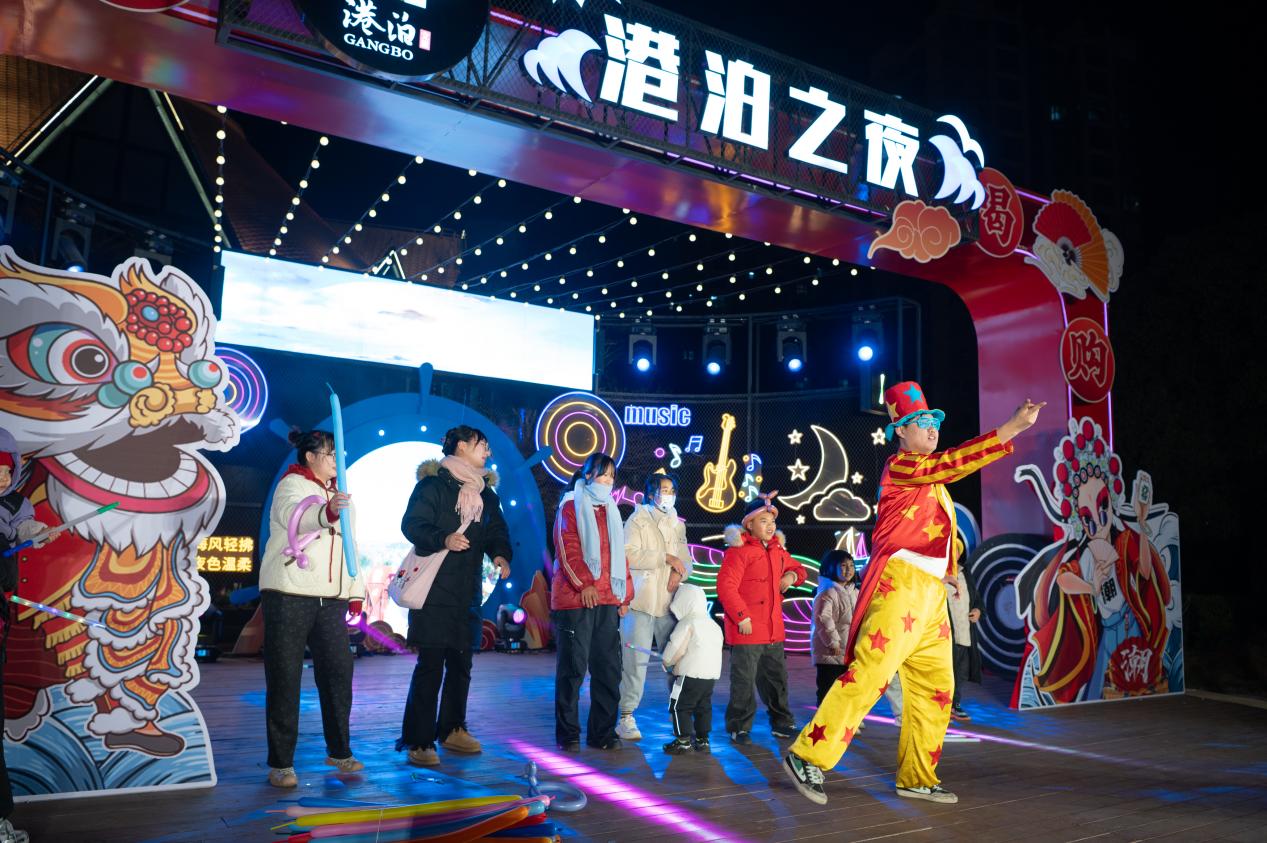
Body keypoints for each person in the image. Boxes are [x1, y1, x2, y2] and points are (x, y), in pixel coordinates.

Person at [783, 382, 1044, 806]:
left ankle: (917, 776)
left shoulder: (931, 481)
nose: (931, 428)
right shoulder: (903, 466)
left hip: (929, 592)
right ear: (900, 431)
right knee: (871, 675)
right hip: (899, 584)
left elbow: (938, 530)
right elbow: (953, 463)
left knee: (935, 686)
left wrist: (949, 570)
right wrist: (1011, 428)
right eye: (921, 422)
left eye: (934, 421)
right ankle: (807, 755)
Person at [397, 426, 511, 767]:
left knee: (462, 664)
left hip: (467, 592)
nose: (487, 452)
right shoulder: (433, 485)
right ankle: (419, 740)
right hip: (434, 591)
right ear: (461, 446)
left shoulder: (487, 493)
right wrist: (443, 538)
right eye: (482, 445)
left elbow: (496, 530)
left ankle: (453, 729)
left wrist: (500, 554)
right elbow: (412, 525)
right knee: (430, 666)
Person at [259, 429, 366, 788]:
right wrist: (327, 512)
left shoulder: (339, 493)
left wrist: (355, 589)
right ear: (310, 456)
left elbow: (351, 544)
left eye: (338, 454)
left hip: (331, 597)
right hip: (290, 591)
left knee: (338, 672)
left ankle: (340, 750)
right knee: (285, 677)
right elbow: (296, 517)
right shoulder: (291, 485)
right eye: (331, 454)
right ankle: (281, 764)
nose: (337, 460)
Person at [550, 453, 634, 751]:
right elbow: (567, 548)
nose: (608, 481)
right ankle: (568, 733)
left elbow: (619, 556)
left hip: (608, 599)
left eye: (611, 476)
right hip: (576, 599)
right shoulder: (570, 505)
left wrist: (625, 594)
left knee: (608, 669)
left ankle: (602, 733)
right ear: (587, 475)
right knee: (573, 669)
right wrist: (584, 583)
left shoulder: (611, 509)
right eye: (602, 474)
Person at [717, 493, 806, 744]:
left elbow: (799, 570)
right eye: (764, 521)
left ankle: (782, 723)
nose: (770, 526)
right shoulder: (738, 552)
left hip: (773, 631)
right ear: (749, 524)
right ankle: (739, 727)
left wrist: (790, 577)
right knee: (744, 682)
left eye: (773, 521)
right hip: (747, 630)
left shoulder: (778, 551)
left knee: (777, 681)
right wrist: (741, 617)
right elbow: (726, 587)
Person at [616, 472, 690, 741]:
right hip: (641, 603)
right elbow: (627, 554)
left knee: (677, 661)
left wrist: (679, 573)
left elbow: (686, 560)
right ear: (650, 494)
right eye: (663, 490)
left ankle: (680, 714)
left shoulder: (677, 524)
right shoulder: (637, 520)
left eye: (672, 490)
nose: (668, 495)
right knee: (635, 662)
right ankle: (626, 716)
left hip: (669, 605)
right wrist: (665, 558)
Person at [1, 430, 46, 843]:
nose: (0, 477)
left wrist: (36, 532)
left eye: (6, 469)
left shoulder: (15, 504)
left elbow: (26, 527)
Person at [659, 583, 723, 754]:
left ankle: (683, 742)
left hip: (689, 675)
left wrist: (666, 661)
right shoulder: (714, 625)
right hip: (710, 677)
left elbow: (676, 647)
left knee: (680, 706)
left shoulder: (687, 623)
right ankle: (703, 741)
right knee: (704, 707)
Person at [811, 550, 858, 706]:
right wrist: (833, 642)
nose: (848, 569)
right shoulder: (827, 591)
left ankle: (842, 717)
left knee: (846, 688)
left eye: (851, 565)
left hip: (848, 650)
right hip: (830, 652)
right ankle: (824, 718)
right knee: (828, 689)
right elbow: (823, 619)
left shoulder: (855, 592)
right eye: (843, 565)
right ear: (831, 568)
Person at [945, 555, 983, 721]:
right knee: (946, 672)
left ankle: (955, 704)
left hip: (965, 633)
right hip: (945, 636)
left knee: (961, 672)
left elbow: (977, 599)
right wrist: (944, 580)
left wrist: (977, 611)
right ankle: (942, 706)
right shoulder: (936, 572)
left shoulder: (965, 573)